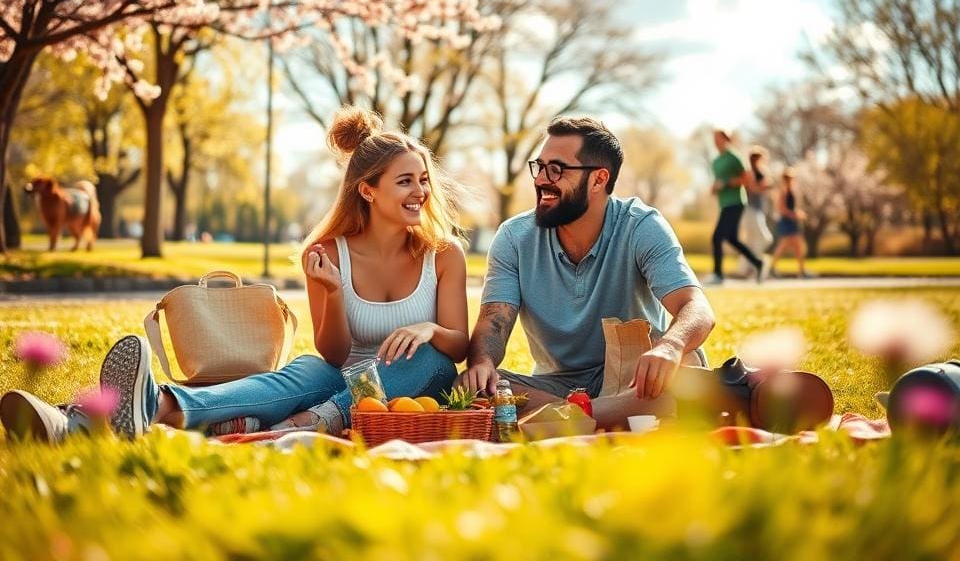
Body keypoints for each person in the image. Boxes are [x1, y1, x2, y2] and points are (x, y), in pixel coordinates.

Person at [1, 107, 469, 442]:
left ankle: (306, 423)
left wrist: (429, 328)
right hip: (336, 374)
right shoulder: (327, 253)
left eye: (423, 179)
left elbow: (459, 345)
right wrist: (333, 291)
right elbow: (334, 352)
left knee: (436, 363)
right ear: (367, 191)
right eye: (406, 181)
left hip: (401, 382)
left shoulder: (443, 255)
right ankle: (106, 415)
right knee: (292, 375)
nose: (420, 192)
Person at [457, 116, 716, 430]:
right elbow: (494, 319)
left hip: (635, 378)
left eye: (557, 169)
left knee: (687, 366)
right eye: (539, 167)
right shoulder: (514, 237)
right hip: (557, 386)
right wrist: (482, 365)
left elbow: (696, 307)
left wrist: (670, 346)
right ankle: (599, 415)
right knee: (467, 387)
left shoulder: (641, 225)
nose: (541, 180)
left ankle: (568, 420)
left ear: (598, 180)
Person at [704, 129, 768, 285]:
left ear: (726, 139)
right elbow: (718, 181)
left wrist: (725, 183)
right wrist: (714, 188)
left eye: (718, 138)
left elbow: (747, 178)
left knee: (717, 237)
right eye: (714, 139)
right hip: (724, 204)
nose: (716, 141)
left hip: (736, 202)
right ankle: (758, 263)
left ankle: (718, 275)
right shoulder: (716, 161)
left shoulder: (734, 157)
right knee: (731, 239)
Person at [737, 146, 773, 277]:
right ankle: (755, 265)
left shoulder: (761, 171)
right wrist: (764, 186)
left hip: (758, 209)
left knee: (754, 241)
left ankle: (751, 267)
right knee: (764, 238)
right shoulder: (749, 172)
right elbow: (753, 188)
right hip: (750, 209)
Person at [769, 167, 810, 278]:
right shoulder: (783, 191)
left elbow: (791, 208)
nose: (790, 180)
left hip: (793, 222)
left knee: (798, 247)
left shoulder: (791, 190)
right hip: (787, 222)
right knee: (783, 245)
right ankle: (771, 268)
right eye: (788, 178)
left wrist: (797, 213)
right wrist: (794, 214)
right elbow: (780, 208)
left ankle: (801, 271)